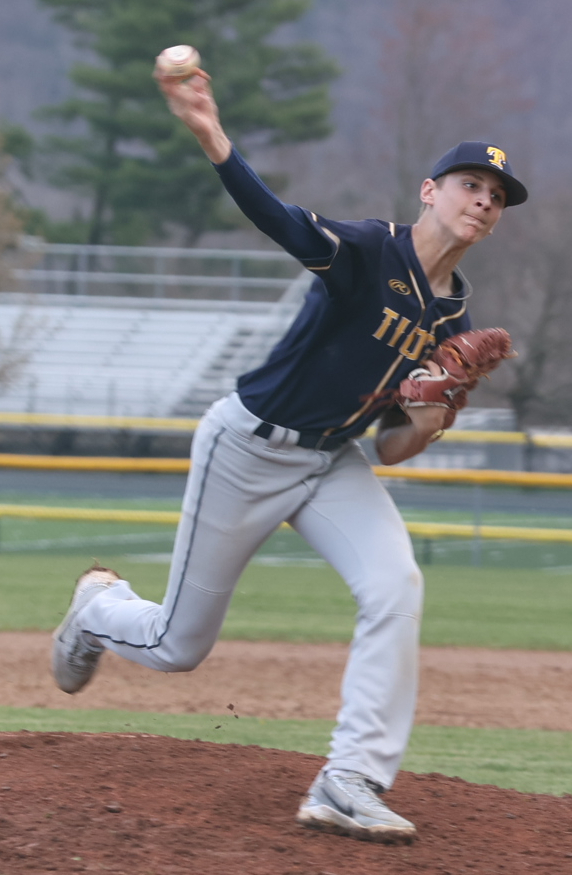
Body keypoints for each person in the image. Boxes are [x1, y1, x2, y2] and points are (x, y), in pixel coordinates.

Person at [52, 62, 528, 843]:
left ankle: (350, 778)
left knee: (396, 585)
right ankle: (98, 608)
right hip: (248, 446)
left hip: (332, 461)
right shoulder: (369, 250)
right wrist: (211, 134)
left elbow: (393, 447)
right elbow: (278, 220)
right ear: (429, 191)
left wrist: (433, 414)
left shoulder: (455, 319)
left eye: (497, 196)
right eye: (470, 184)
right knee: (178, 645)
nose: (484, 200)